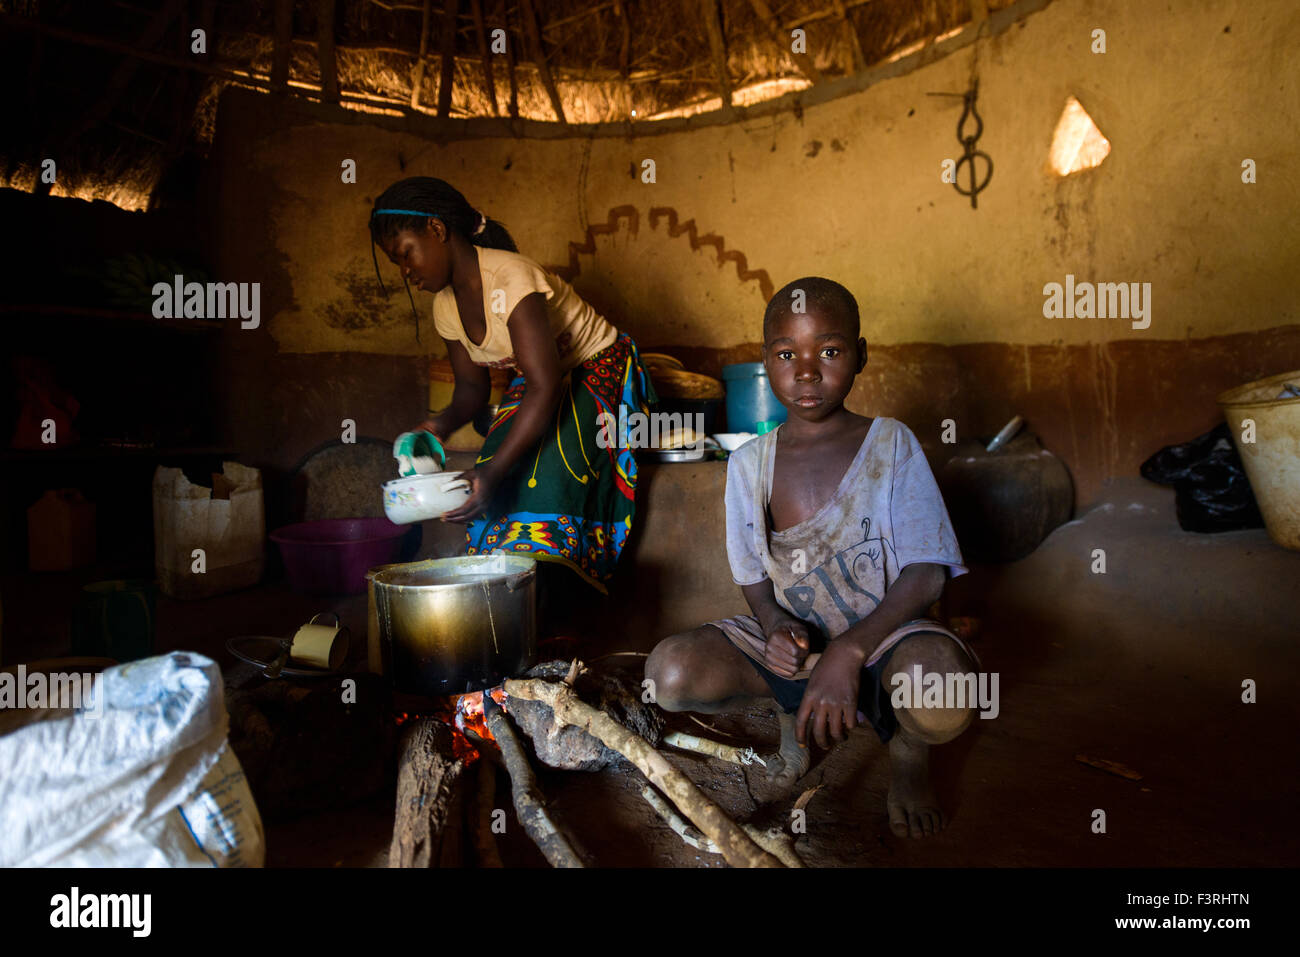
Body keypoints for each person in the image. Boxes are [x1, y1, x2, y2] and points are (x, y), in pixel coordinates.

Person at [644, 277, 980, 839]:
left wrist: (849, 650)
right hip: (797, 645)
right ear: (766, 362)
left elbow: (926, 573)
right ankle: (791, 714)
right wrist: (774, 623)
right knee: (668, 674)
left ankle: (908, 753)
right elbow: (753, 575)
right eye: (786, 355)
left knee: (944, 691)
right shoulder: (749, 463)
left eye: (828, 351)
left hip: (885, 638)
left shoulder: (891, 444)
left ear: (860, 355)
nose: (806, 372)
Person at [369, 176, 656, 596]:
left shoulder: (511, 277)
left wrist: (494, 471)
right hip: (542, 378)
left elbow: (544, 387)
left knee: (550, 472)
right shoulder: (445, 306)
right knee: (494, 470)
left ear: (436, 229)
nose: (405, 271)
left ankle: (562, 596)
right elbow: (471, 389)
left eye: (405, 254)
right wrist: (435, 427)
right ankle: (514, 596)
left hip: (599, 367)